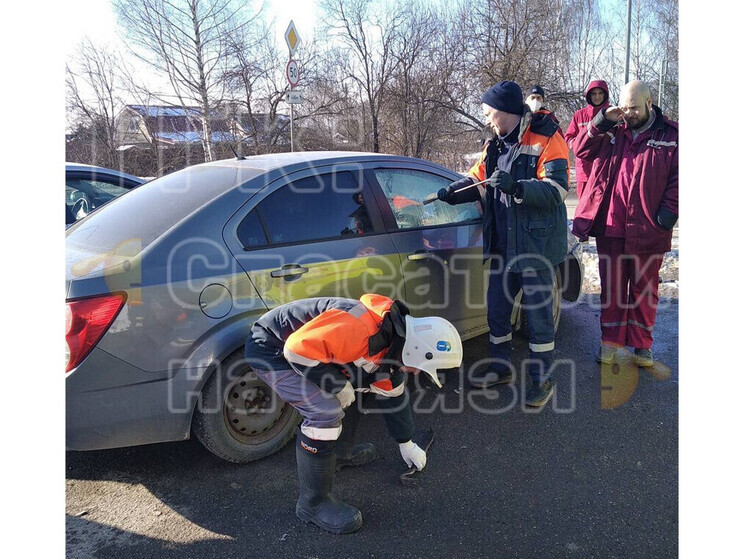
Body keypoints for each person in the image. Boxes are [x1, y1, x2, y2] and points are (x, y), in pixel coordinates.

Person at [244, 294, 463, 534]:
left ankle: (339, 453)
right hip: (271, 349)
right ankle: (313, 504)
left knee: (359, 385)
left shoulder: (392, 341)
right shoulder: (361, 329)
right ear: (417, 351)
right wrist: (337, 385)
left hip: (298, 349)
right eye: (420, 368)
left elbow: (393, 394)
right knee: (324, 412)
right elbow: (297, 350)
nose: (415, 373)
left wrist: (406, 442)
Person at [430, 80, 570, 408]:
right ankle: (500, 367)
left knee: (537, 317)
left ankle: (541, 378)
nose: (487, 117)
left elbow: (558, 189)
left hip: (534, 247)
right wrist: (455, 192)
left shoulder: (546, 135)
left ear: (505, 111)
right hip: (502, 245)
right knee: (497, 311)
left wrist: (517, 187)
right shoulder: (493, 144)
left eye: (489, 111)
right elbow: (477, 180)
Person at [571, 80, 678, 366]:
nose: (628, 113)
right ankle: (610, 342)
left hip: (650, 227)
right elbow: (580, 151)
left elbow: (680, 178)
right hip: (612, 226)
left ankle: (642, 345)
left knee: (645, 288)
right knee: (613, 289)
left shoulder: (671, 135)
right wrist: (602, 120)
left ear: (648, 101)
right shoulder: (612, 130)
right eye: (624, 107)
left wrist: (669, 212)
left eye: (633, 107)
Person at [565, 80, 610, 199]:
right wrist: (578, 146)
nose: (597, 96)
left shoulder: (611, 113)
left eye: (600, 93)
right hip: (584, 170)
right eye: (594, 94)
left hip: (605, 169)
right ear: (589, 96)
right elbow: (569, 137)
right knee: (584, 206)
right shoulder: (579, 115)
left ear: (605, 95)